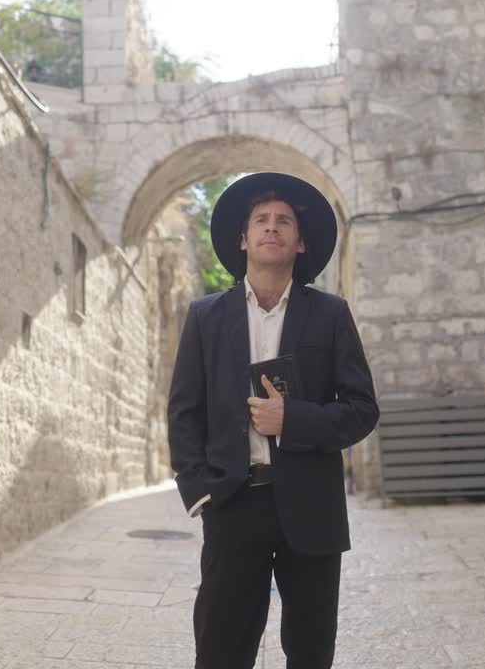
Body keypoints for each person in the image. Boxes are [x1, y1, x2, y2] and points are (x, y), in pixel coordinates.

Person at [167, 172, 380, 669]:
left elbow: (362, 409)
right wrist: (200, 491)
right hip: (233, 502)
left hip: (312, 504)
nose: (271, 227)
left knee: (310, 649)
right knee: (221, 646)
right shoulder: (206, 317)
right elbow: (184, 410)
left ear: (300, 242)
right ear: (242, 238)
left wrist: (293, 419)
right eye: (260, 220)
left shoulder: (330, 314)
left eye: (284, 221)